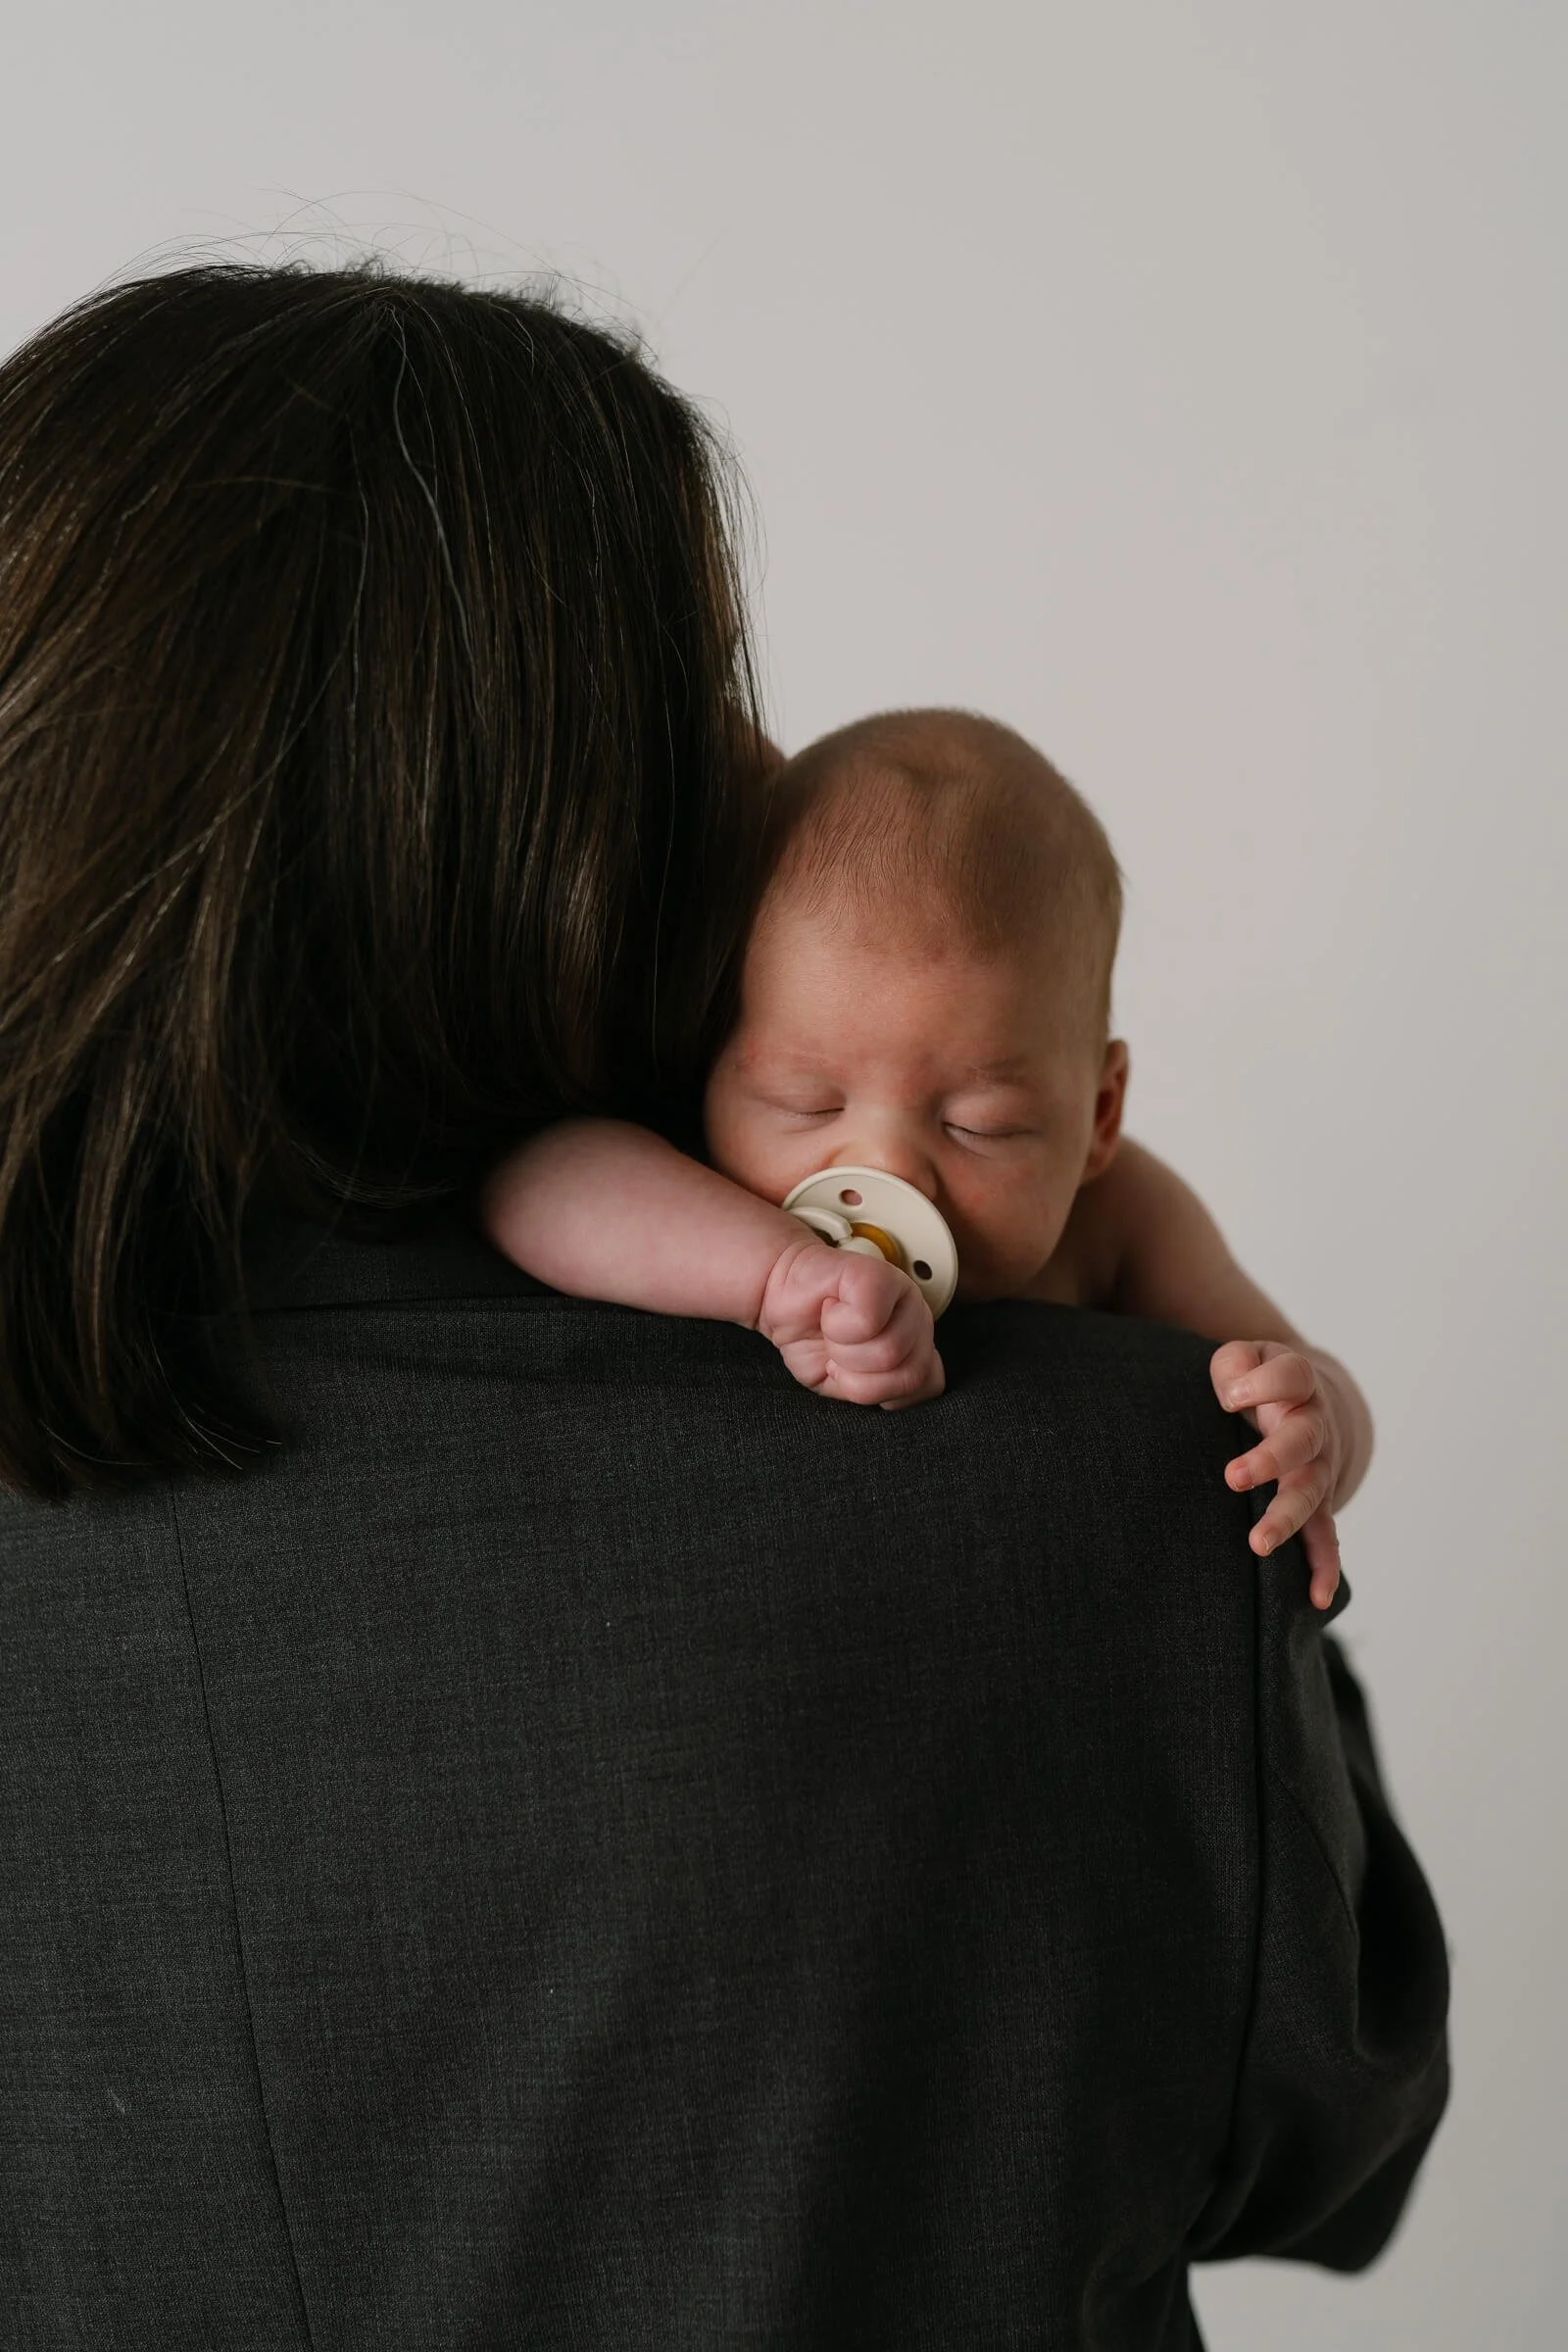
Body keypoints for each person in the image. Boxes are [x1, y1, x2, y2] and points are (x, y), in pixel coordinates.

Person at [0, 263, 1447, 2352]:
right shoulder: (1074, 1495)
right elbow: (1337, 2132)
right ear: (548, 837)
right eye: (702, 711)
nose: (762, 763)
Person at [480, 708, 1366, 1609]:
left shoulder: (1120, 1219)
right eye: (807, 1101)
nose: (885, 1171)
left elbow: (1295, 1366)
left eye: (979, 1125)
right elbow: (529, 1183)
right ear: (705, 1059)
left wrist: (1319, 1422)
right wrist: (771, 1274)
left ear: (1098, 1115)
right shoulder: (714, 1177)